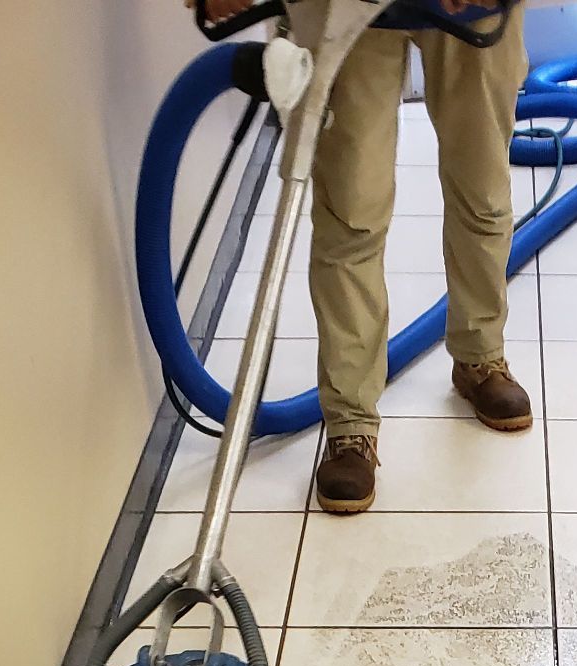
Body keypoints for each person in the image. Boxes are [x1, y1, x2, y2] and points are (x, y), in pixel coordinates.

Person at [201, 0, 532, 515]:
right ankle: (351, 424)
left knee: (483, 190)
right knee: (350, 213)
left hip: (474, 10)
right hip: (341, 7)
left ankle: (479, 356)